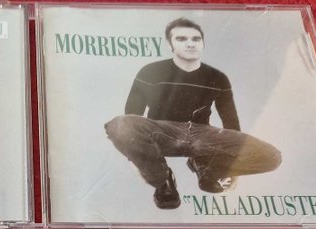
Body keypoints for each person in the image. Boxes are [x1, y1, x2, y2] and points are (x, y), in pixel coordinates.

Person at [104, 18, 281, 209]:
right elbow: (132, 115)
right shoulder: (150, 71)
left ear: (203, 43)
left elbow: (230, 121)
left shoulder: (218, 78)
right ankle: (163, 181)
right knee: (120, 124)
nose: (190, 43)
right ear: (170, 44)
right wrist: (137, 158)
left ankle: (208, 168)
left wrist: (232, 168)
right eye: (181, 39)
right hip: (162, 132)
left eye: (196, 39)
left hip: (202, 135)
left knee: (271, 156)